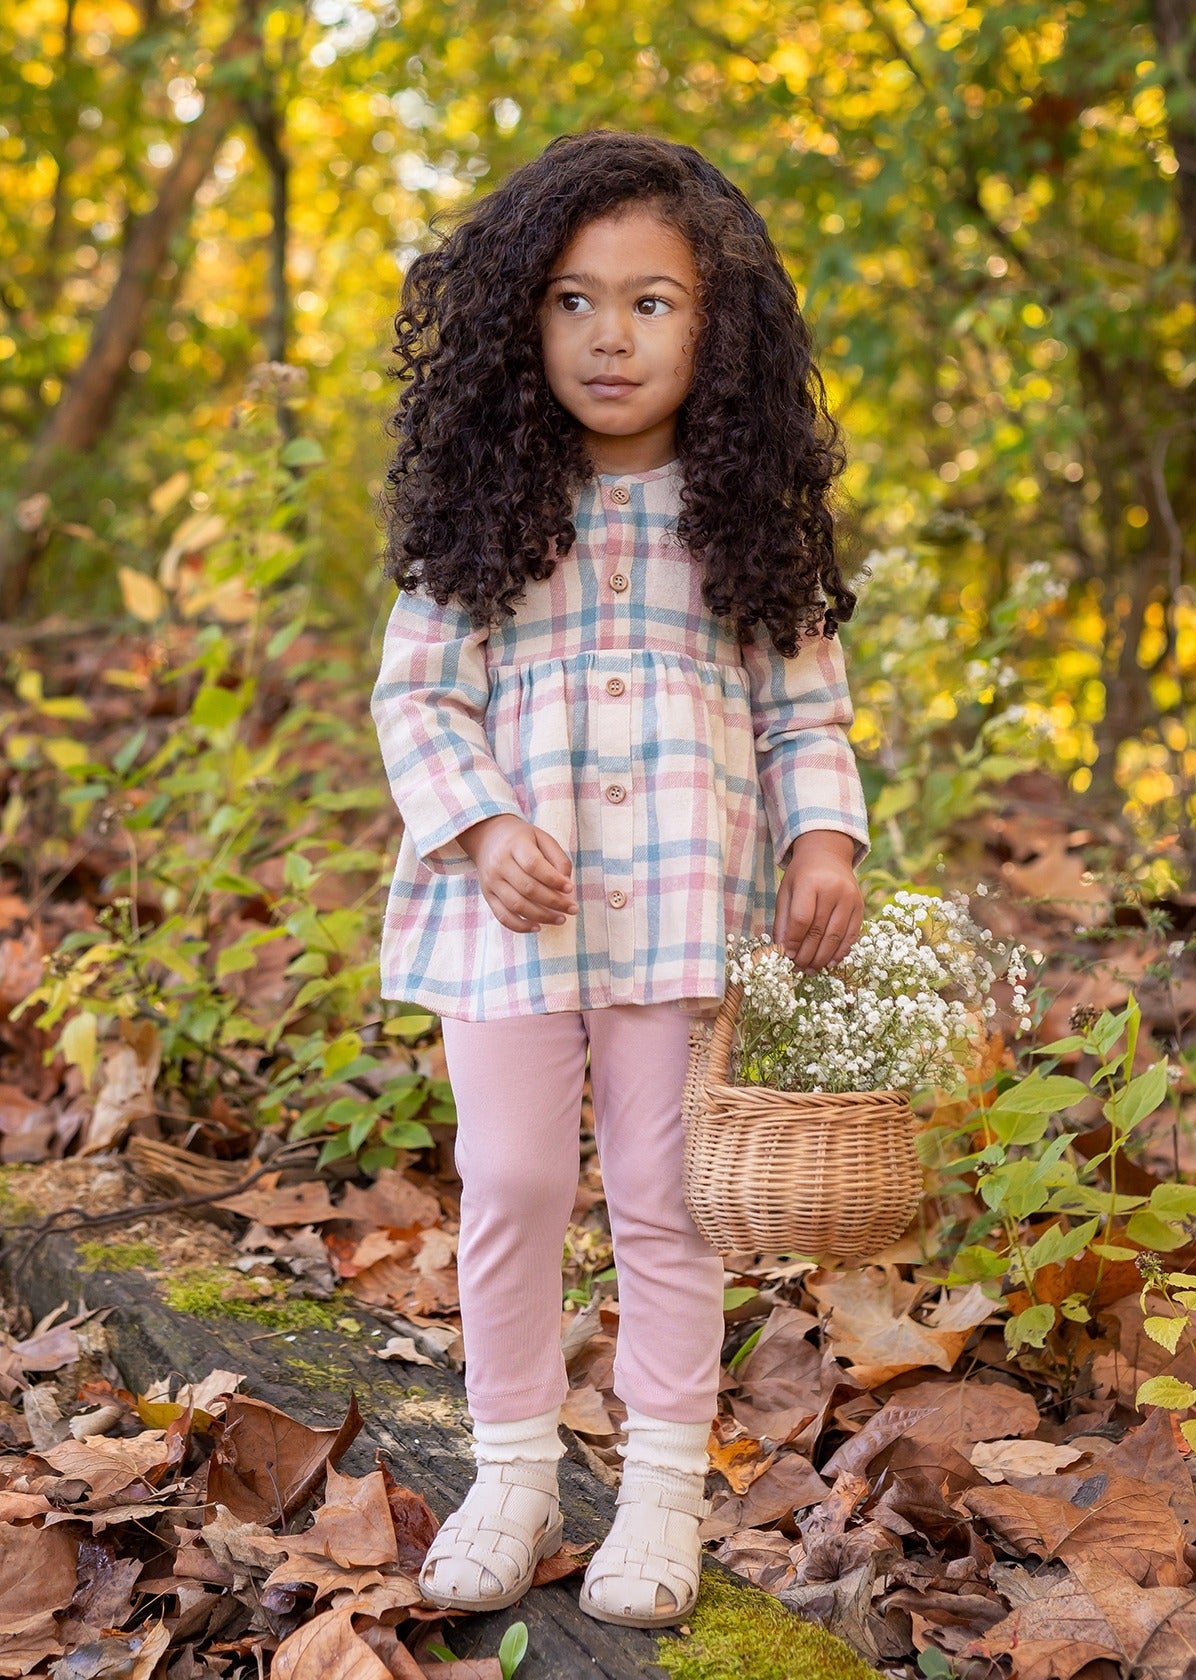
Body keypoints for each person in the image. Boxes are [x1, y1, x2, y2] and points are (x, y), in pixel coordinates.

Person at [370, 129, 870, 1630]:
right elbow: (416, 698)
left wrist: (821, 836)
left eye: (653, 302)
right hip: (508, 916)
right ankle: (513, 1469)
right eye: (576, 300)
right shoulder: (485, 513)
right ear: (524, 319)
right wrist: (476, 824)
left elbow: (806, 713)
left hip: (683, 916)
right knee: (514, 1184)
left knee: (666, 1201)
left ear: (716, 330)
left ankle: (660, 1488)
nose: (610, 334)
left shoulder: (745, 521)